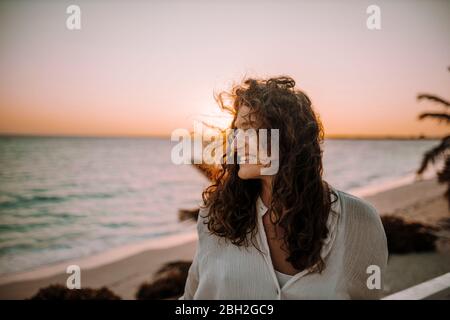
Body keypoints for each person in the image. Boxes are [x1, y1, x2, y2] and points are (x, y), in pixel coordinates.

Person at [180, 76, 388, 299]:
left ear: (289, 139)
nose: (237, 142)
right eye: (237, 131)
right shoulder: (216, 215)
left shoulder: (358, 220)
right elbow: (192, 296)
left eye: (250, 130)